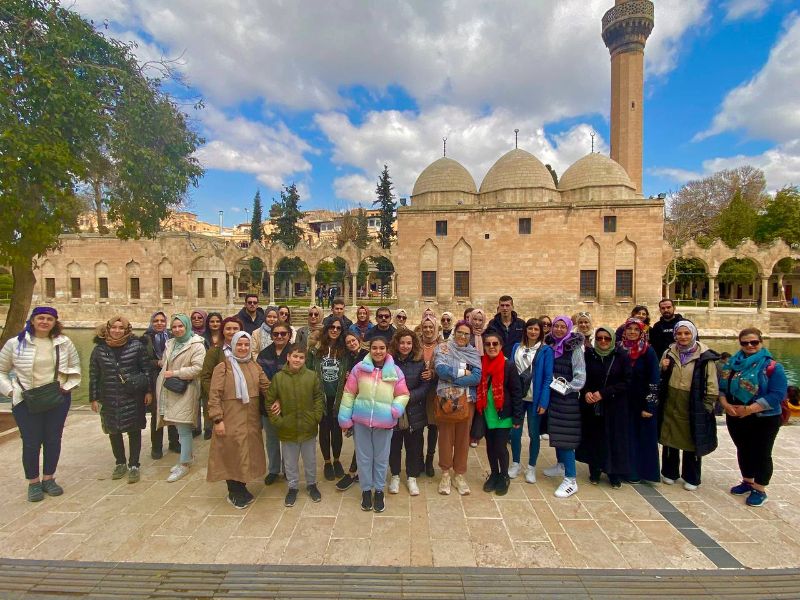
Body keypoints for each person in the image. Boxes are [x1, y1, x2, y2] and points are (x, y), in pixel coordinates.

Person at [0, 307, 81, 502]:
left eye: (49, 319)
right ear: (33, 320)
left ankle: (49, 478)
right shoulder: (15, 343)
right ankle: (33, 482)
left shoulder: (63, 342)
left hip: (56, 398)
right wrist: (10, 391)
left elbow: (75, 368)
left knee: (53, 439)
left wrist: (68, 386)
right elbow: (1, 370)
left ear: (55, 322)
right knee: (31, 442)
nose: (44, 322)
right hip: (25, 400)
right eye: (41, 318)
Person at [339, 337, 410, 512]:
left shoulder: (394, 371)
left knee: (381, 458)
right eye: (374, 348)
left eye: (382, 348)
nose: (378, 351)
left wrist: (395, 410)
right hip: (361, 421)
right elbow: (349, 393)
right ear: (369, 349)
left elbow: (403, 394)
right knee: (364, 458)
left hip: (384, 422)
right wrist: (345, 418)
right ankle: (365, 490)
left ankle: (378, 490)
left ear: (387, 349)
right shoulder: (359, 369)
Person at [719, 328, 788, 507]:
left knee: (762, 452)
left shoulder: (771, 367)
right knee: (743, 448)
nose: (750, 346)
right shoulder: (732, 364)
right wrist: (726, 405)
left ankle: (760, 488)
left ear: (761, 342)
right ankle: (747, 481)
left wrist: (749, 409)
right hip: (736, 415)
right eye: (745, 343)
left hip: (763, 417)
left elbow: (777, 395)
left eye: (754, 342)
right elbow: (722, 388)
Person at [207, 331, 270, 509]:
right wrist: (217, 419)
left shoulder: (254, 366)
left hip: (250, 420)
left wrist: (280, 399)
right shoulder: (223, 367)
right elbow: (214, 395)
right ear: (233, 345)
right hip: (230, 418)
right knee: (231, 454)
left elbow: (267, 387)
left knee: (245, 454)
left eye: (246, 345)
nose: (243, 348)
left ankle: (241, 487)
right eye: (239, 345)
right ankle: (234, 491)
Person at [89, 317, 152, 484]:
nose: (117, 331)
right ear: (108, 329)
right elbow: (94, 375)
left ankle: (134, 464)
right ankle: (120, 462)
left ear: (127, 330)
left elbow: (146, 370)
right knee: (113, 430)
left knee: (134, 429)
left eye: (121, 328)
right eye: (114, 327)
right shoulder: (99, 350)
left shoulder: (137, 346)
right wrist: (93, 398)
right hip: (109, 395)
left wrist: (148, 391)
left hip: (132, 394)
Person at [658, 320, 719, 491]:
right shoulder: (669, 352)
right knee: (670, 434)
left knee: (692, 438)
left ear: (693, 334)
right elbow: (660, 375)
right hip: (672, 399)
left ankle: (691, 476)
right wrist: (662, 367)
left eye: (686, 333)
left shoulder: (705, 357)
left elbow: (712, 384)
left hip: (693, 401)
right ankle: (669, 472)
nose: (683, 337)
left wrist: (707, 406)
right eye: (679, 333)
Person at [267, 345, 325, 507]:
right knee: (290, 462)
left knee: (310, 460)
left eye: (301, 357)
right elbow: (270, 400)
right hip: (288, 428)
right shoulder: (278, 378)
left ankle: (311, 484)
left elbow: (318, 398)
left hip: (308, 427)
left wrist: (316, 417)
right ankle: (292, 487)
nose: (297, 360)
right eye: (295, 356)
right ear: (288, 357)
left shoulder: (312, 376)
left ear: (305, 360)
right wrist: (279, 421)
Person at [576, 327, 631, 488]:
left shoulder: (621, 356)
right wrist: (586, 392)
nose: (603, 341)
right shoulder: (589, 355)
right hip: (592, 404)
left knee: (612, 438)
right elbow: (581, 376)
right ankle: (595, 470)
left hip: (613, 405)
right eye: (599, 338)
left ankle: (613, 473)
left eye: (607, 338)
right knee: (594, 437)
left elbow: (627, 382)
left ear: (612, 339)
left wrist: (604, 393)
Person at [433, 319, 482, 496]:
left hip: (467, 401)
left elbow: (476, 377)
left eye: (466, 334)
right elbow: (441, 370)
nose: (462, 336)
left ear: (470, 337)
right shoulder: (443, 347)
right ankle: (445, 474)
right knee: (445, 438)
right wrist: (463, 371)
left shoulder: (474, 353)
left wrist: (453, 374)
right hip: (447, 399)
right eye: (459, 332)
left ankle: (459, 475)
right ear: (455, 332)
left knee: (463, 440)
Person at [156, 314, 206, 482]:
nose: (177, 330)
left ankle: (184, 464)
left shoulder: (197, 345)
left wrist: (175, 373)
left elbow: (198, 368)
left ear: (187, 327)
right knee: (178, 427)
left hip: (186, 389)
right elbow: (165, 362)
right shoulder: (170, 343)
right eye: (174, 327)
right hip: (170, 389)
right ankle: (187, 457)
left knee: (184, 428)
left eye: (180, 326)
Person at [542, 315, 586, 498]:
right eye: (556, 326)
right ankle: (561, 465)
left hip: (567, 399)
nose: (559, 329)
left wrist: (564, 387)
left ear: (568, 328)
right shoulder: (551, 346)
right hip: (554, 398)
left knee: (566, 437)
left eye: (562, 326)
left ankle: (571, 479)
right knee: (557, 432)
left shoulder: (574, 349)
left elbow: (580, 377)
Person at [478, 331, 523, 496]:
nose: (491, 347)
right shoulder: (481, 363)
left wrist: (518, 417)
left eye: (495, 344)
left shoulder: (508, 365)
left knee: (500, 446)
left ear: (501, 346)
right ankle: (494, 473)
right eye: (488, 344)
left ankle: (504, 476)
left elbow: (516, 392)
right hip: (487, 412)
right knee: (490, 446)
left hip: (503, 414)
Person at [388, 329, 433, 497]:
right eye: (402, 343)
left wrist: (408, 397)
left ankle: (412, 477)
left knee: (414, 446)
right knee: (394, 445)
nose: (405, 346)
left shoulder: (419, 362)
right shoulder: (389, 362)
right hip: (394, 411)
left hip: (414, 410)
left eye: (408, 343)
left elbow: (425, 385)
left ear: (413, 344)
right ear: (396, 344)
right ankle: (395, 475)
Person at [508, 318, 554, 483]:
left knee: (534, 434)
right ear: (525, 330)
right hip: (518, 398)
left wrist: (544, 401)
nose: (533, 332)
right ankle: (515, 463)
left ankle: (531, 467)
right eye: (530, 329)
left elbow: (548, 377)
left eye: (536, 329)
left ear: (541, 332)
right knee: (515, 433)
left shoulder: (546, 350)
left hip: (534, 398)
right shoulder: (516, 347)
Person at [307, 317, 351, 481]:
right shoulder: (316, 349)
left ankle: (337, 459)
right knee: (324, 430)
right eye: (331, 327)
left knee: (337, 430)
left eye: (338, 328)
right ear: (326, 329)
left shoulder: (344, 350)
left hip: (339, 395)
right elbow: (309, 370)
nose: (334, 330)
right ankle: (327, 461)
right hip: (321, 395)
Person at [621, 318, 660, 484]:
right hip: (624, 401)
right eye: (629, 329)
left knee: (641, 438)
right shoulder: (620, 349)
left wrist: (650, 406)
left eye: (636, 330)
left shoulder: (648, 351)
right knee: (626, 436)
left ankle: (639, 472)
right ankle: (625, 469)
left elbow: (654, 379)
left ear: (641, 332)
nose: (632, 332)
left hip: (642, 402)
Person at [141, 311, 179, 457]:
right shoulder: (145, 338)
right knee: (157, 413)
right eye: (156, 320)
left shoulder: (171, 337)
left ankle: (174, 442)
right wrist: (157, 363)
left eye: (162, 321)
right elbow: (143, 361)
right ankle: (156, 447)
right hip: (154, 378)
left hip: (171, 377)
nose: (159, 323)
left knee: (172, 411)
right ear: (152, 322)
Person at [334, 332, 368, 491]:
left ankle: (353, 471)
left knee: (363, 439)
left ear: (359, 340)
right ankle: (358, 470)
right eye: (348, 342)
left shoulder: (367, 355)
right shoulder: (348, 358)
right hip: (353, 401)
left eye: (353, 340)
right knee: (360, 438)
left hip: (366, 401)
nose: (352, 343)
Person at [200, 317, 243, 440]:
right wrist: (216, 395)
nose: (232, 331)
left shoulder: (246, 350)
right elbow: (205, 377)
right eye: (228, 328)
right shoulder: (214, 352)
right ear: (222, 331)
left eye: (236, 328)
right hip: (222, 401)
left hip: (240, 401)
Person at [418, 316, 440, 477]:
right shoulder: (415, 343)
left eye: (431, 327)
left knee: (433, 426)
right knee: (418, 426)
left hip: (434, 390)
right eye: (425, 327)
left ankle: (429, 459)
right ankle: (418, 459)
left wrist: (433, 373)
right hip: (418, 390)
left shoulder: (442, 346)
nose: (428, 330)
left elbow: (446, 366)